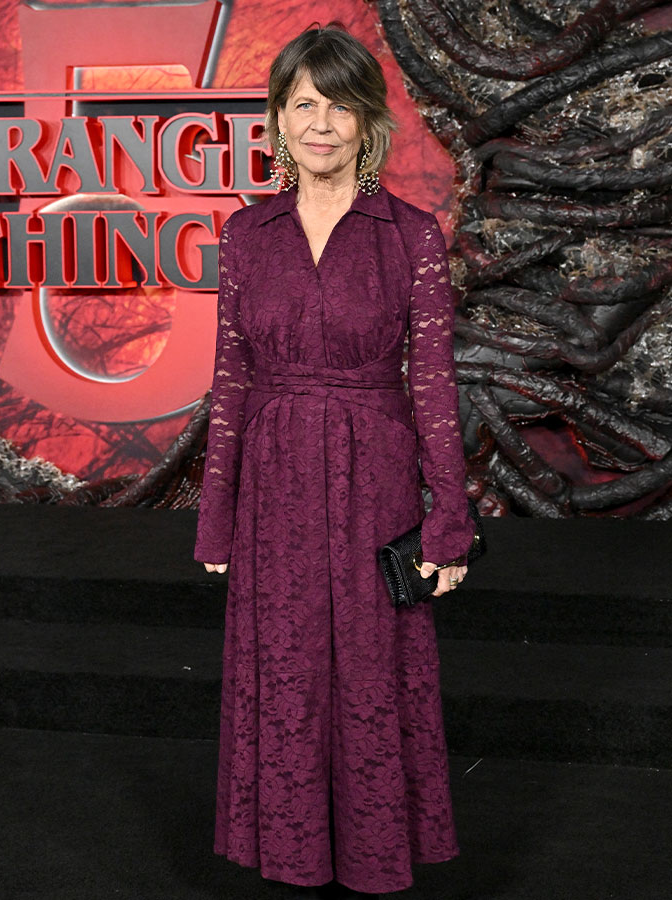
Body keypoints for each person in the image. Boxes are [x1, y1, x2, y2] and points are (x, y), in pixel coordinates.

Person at [194, 23, 476, 900]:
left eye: (338, 105)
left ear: (367, 120)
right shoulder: (246, 236)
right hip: (272, 483)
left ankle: (373, 860)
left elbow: (433, 386)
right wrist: (215, 517)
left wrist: (450, 524)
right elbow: (230, 385)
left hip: (376, 476)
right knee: (282, 664)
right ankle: (290, 858)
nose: (320, 123)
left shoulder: (414, 235)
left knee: (370, 668)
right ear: (278, 118)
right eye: (302, 104)